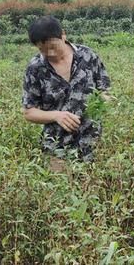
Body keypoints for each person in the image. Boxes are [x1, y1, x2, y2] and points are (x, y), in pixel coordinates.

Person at [22, 15, 111, 167]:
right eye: (42, 50)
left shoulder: (88, 56)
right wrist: (57, 116)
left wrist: (103, 101)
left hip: (93, 144)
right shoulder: (35, 68)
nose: (49, 54)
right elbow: (29, 112)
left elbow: (105, 90)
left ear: (63, 35)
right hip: (57, 147)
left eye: (53, 47)